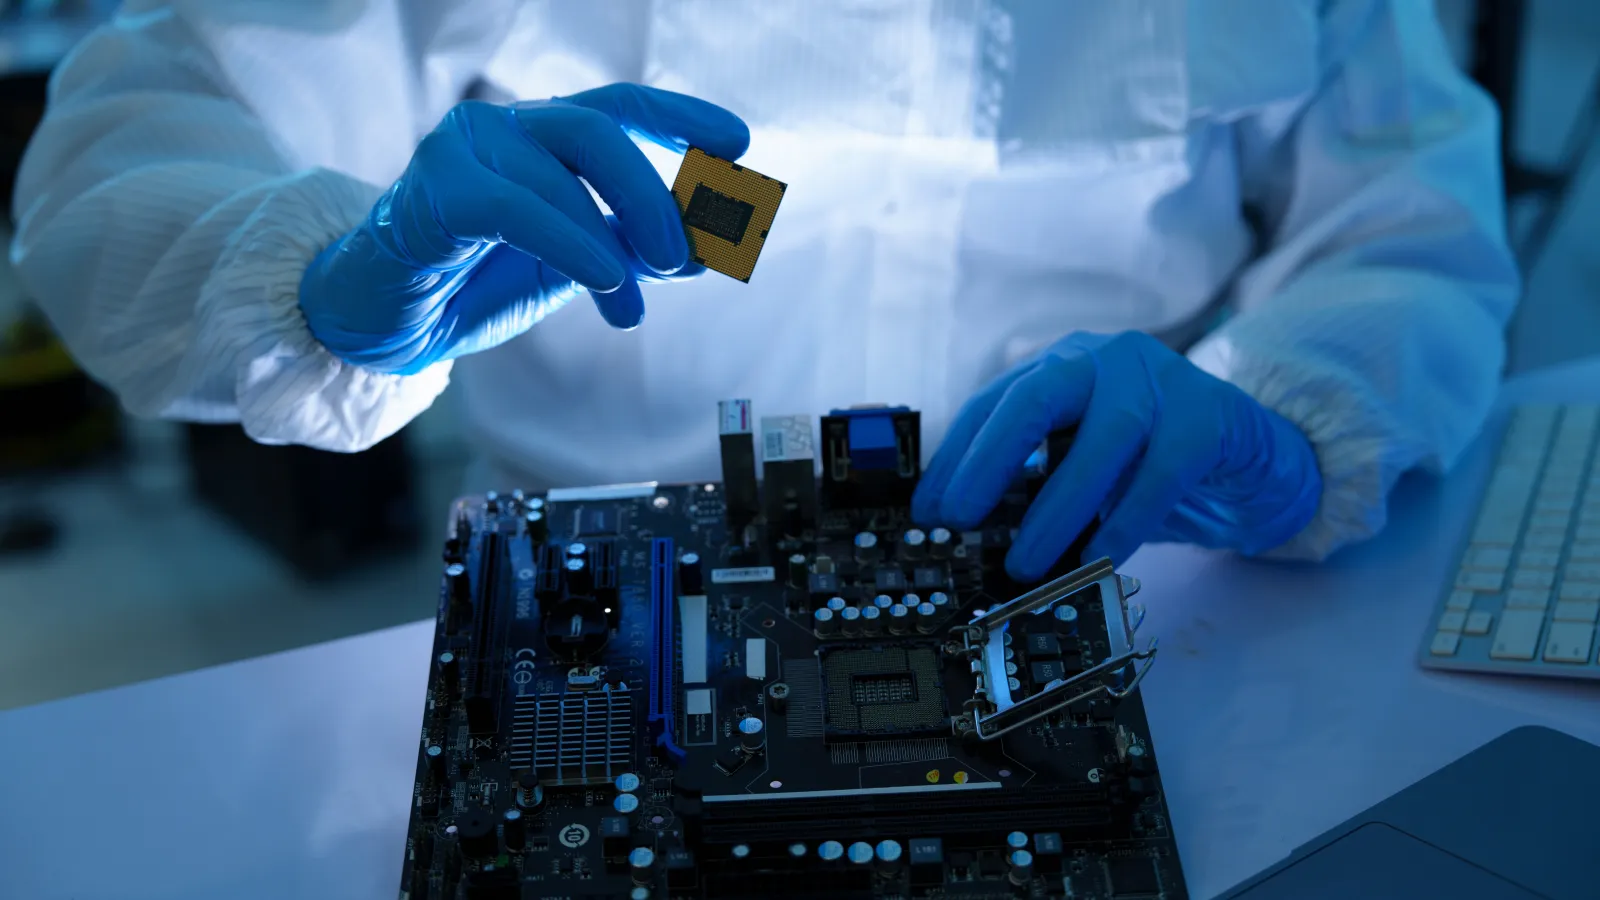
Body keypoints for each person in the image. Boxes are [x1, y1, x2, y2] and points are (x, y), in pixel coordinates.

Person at [12, 0, 1519, 581]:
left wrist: (1289, 425)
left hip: (1121, 590)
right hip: (608, 621)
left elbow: (1407, 215)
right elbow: (135, 135)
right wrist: (317, 285)